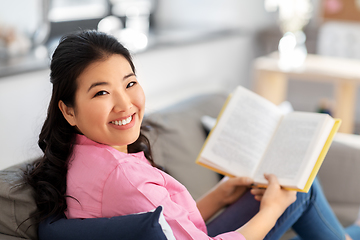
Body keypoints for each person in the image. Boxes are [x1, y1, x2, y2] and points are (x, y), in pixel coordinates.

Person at [25, 29, 360, 240]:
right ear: (68, 109)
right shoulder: (125, 178)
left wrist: (220, 196)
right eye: (101, 93)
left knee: (293, 183)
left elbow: (167, 226)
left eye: (129, 84)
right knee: (295, 187)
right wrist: (272, 211)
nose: (124, 103)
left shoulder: (80, 155)